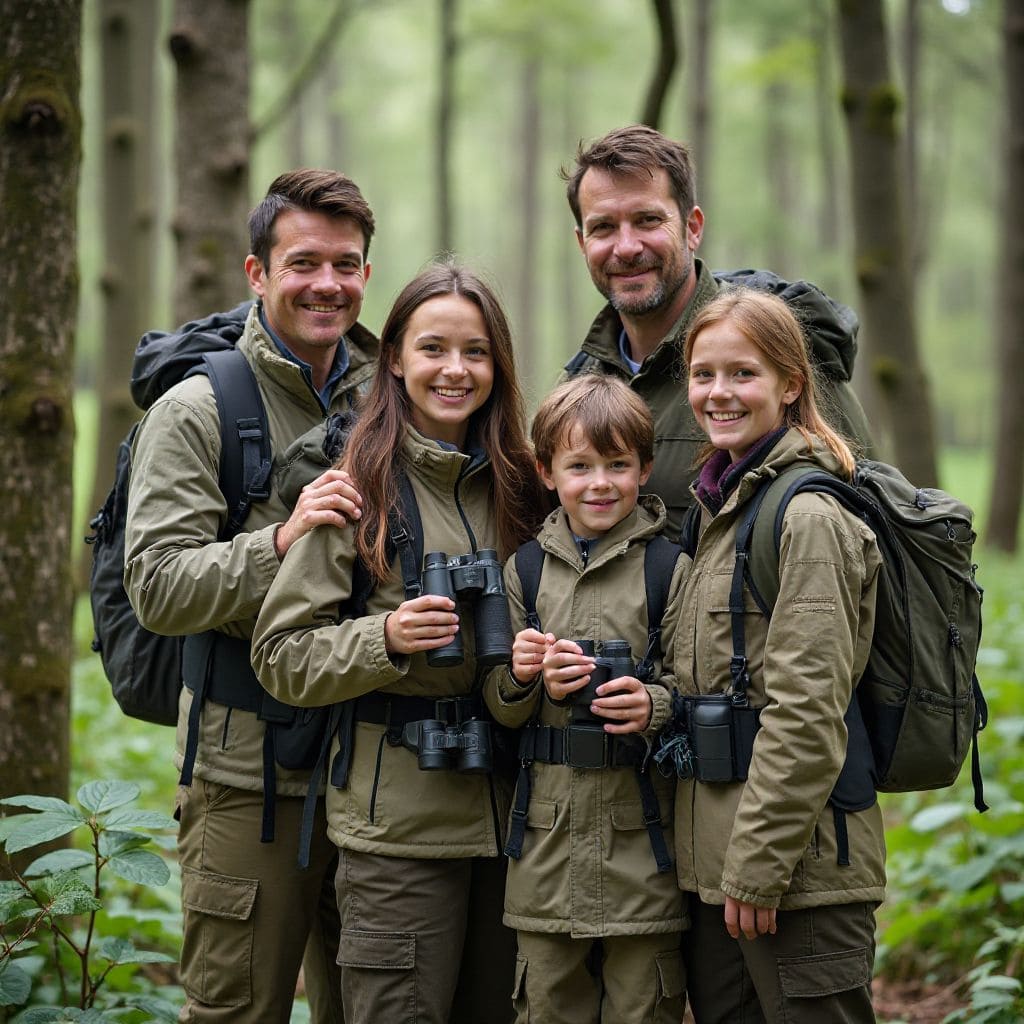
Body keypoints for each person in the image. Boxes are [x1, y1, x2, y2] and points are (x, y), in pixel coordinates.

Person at [250, 258, 547, 1024]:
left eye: (476, 352)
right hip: (394, 838)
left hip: (515, 826)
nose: (456, 370)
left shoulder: (528, 486)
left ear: (500, 364)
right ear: (396, 361)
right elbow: (280, 655)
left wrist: (524, 672)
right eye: (433, 349)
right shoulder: (357, 487)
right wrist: (384, 637)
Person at [124, 168, 376, 1024]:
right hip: (247, 774)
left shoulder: (394, 395)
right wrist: (281, 540)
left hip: (380, 765)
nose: (327, 285)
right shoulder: (198, 408)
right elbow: (157, 586)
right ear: (257, 274)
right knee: (238, 1010)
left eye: (346, 265)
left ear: (367, 276)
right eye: (303, 262)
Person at [668, 288, 885, 1023]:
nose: (718, 393)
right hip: (722, 874)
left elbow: (807, 714)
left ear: (791, 384)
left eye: (743, 373)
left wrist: (757, 870)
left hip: (801, 871)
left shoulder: (807, 517)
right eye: (703, 374)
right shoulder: (721, 508)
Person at [484, 373, 689, 1024]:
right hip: (545, 845)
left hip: (644, 847)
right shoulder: (524, 570)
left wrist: (652, 705)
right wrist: (523, 677)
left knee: (644, 1007)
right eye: (580, 466)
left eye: (617, 465)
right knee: (546, 1005)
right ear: (547, 472)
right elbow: (497, 704)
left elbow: (693, 684)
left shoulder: (669, 568)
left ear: (645, 468)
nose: (599, 483)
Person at [561, 123, 873, 539]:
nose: (627, 247)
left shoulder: (775, 353)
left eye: (648, 220)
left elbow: (864, 529)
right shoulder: (579, 382)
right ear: (582, 243)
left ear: (692, 227)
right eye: (604, 228)